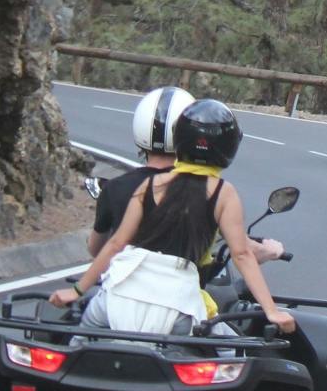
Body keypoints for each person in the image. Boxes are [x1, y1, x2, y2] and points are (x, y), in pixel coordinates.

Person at [52, 99, 296, 336]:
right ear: (229, 146)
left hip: (117, 299)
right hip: (176, 309)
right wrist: (272, 311)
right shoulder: (224, 193)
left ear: (178, 140)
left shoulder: (150, 185)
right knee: (233, 354)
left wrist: (76, 291)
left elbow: (115, 245)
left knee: (76, 345)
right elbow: (242, 254)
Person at [91, 86, 284, 266]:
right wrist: (271, 250)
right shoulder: (204, 189)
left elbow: (96, 249)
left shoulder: (114, 188)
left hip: (120, 291)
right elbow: (243, 250)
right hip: (182, 295)